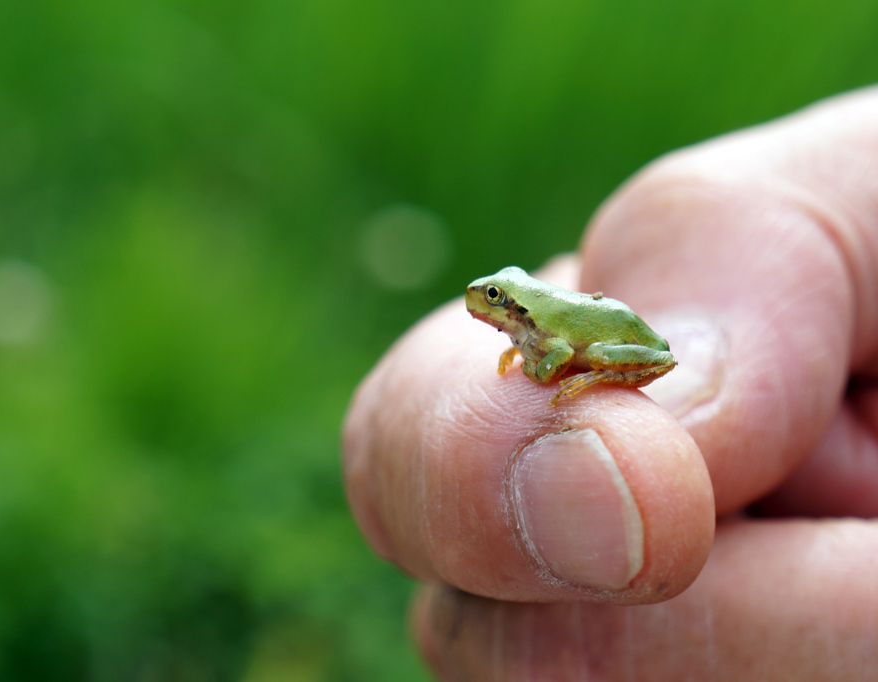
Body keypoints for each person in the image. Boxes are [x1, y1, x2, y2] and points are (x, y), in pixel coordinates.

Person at [342, 87, 878, 680]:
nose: (487, 305)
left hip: (624, 342)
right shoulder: (530, 330)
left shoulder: (541, 335)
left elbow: (550, 362)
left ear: (515, 309)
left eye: (497, 299)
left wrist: (560, 368)